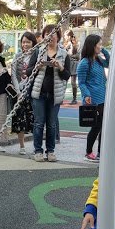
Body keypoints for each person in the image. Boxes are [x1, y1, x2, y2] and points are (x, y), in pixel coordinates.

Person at [27, 24, 70, 162]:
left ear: (58, 36)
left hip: (55, 95)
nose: (50, 36)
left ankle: (50, 151)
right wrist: (38, 66)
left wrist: (60, 67)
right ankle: (38, 151)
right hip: (39, 94)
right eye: (47, 34)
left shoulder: (64, 54)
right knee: (39, 123)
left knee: (51, 124)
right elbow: (28, 72)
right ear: (44, 36)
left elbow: (67, 75)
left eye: (53, 34)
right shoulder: (38, 52)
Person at [77, 34, 110, 162]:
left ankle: (101, 152)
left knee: (103, 126)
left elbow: (110, 62)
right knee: (96, 126)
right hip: (93, 99)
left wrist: (104, 50)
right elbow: (81, 82)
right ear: (92, 45)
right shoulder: (84, 63)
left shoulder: (98, 59)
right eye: (99, 44)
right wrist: (87, 95)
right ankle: (88, 152)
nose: (100, 46)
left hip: (102, 97)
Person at [9, 31, 36, 155]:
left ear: (33, 43)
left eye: (28, 42)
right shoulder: (18, 56)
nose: (25, 44)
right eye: (23, 42)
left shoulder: (36, 56)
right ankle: (22, 146)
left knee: (34, 119)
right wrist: (18, 91)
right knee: (19, 119)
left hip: (32, 91)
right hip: (19, 91)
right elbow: (13, 74)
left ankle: (36, 146)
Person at [66, 30, 80, 104]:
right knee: (64, 82)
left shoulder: (76, 44)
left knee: (73, 83)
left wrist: (70, 53)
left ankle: (74, 99)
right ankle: (61, 98)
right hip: (67, 64)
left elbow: (77, 56)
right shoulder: (66, 44)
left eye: (66, 36)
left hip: (74, 65)